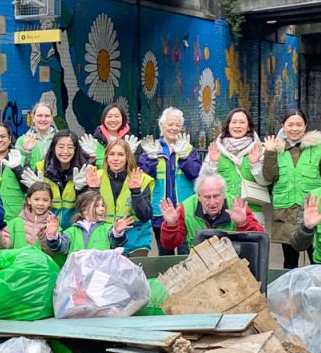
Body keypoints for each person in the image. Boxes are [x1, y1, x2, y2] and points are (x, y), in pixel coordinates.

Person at [261, 109, 321, 268]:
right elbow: (269, 177)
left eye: (299, 124)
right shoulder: (276, 148)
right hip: (286, 212)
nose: (295, 129)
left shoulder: (318, 148)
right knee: (290, 261)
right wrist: (269, 153)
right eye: (290, 124)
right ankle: (290, 292)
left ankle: (316, 292)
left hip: (312, 210)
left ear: (306, 127)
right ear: (283, 126)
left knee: (316, 260)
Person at [136, 107, 203, 256]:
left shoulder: (188, 148)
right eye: (170, 124)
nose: (174, 128)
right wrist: (151, 159)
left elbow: (196, 174)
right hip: (160, 211)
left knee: (187, 253)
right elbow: (143, 176)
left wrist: (184, 157)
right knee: (165, 252)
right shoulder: (151, 148)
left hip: (184, 210)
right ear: (161, 125)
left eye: (177, 125)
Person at [159, 173, 264, 252]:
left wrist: (243, 224)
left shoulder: (237, 206)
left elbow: (260, 238)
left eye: (216, 196)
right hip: (199, 263)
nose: (212, 202)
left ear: (223, 194)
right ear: (199, 197)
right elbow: (169, 245)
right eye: (207, 197)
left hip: (233, 263)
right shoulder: (185, 209)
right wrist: (171, 225)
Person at [202, 107, 271, 226]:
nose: (237, 126)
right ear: (228, 125)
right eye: (234, 122)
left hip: (252, 213)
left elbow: (266, 181)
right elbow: (203, 182)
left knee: (251, 244)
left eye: (242, 122)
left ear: (248, 126)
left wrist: (254, 165)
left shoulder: (259, 150)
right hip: (223, 212)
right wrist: (213, 163)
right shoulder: (215, 150)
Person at [86, 140, 153, 254]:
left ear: (128, 158)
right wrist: (93, 190)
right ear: (106, 157)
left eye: (120, 154)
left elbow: (145, 216)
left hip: (135, 239)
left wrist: (136, 192)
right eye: (112, 154)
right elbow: (88, 216)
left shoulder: (141, 178)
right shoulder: (96, 177)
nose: (115, 159)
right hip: (105, 238)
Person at [24, 130, 92, 227]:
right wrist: (37, 188)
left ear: (75, 149)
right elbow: (30, 201)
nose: (65, 151)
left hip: (75, 229)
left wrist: (80, 189)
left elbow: (89, 204)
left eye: (70, 147)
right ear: (53, 148)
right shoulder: (41, 168)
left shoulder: (84, 170)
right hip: (46, 227)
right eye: (61, 147)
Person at [43, 189, 130, 256]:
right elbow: (60, 248)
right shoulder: (72, 232)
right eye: (97, 206)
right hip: (78, 276)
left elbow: (116, 242)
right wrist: (52, 236)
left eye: (102, 205)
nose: (102, 209)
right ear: (84, 210)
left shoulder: (108, 229)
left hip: (101, 275)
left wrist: (117, 233)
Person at [0, 182, 56, 250]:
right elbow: (6, 245)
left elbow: (53, 252)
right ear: (29, 200)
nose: (41, 203)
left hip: (41, 261)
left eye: (45, 200)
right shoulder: (15, 223)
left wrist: (50, 237)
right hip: (18, 260)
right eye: (36, 199)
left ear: (50, 203)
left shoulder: (52, 224)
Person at [80, 102, 137, 167]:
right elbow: (84, 166)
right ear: (103, 118)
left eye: (117, 116)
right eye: (109, 116)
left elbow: (138, 166)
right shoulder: (94, 142)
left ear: (123, 118)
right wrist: (91, 160)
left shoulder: (131, 141)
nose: (113, 120)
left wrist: (130, 157)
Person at [19, 101, 58, 171]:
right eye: (39, 116)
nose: (43, 119)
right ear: (33, 118)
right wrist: (26, 151)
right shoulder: (22, 140)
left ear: (52, 118)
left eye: (47, 116)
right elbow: (18, 167)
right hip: (31, 180)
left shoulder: (60, 139)